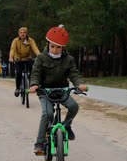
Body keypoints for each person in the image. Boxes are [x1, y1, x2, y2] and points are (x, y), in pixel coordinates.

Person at [28, 25, 87, 154]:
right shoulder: (41, 58)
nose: (55, 50)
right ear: (48, 44)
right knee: (48, 114)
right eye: (52, 46)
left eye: (58, 47)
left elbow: (74, 73)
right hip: (45, 91)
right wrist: (34, 84)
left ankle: (66, 125)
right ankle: (39, 142)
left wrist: (80, 84)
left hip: (62, 91)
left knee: (73, 107)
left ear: (63, 47)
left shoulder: (68, 59)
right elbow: (36, 73)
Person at [9, 27, 41, 97]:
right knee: (18, 73)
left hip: (28, 59)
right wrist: (11, 57)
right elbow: (12, 49)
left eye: (24, 32)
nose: (22, 34)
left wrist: (40, 56)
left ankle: (32, 86)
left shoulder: (30, 40)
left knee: (32, 71)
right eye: (21, 32)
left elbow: (35, 48)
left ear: (26, 34)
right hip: (18, 59)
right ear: (19, 33)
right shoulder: (15, 41)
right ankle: (17, 88)